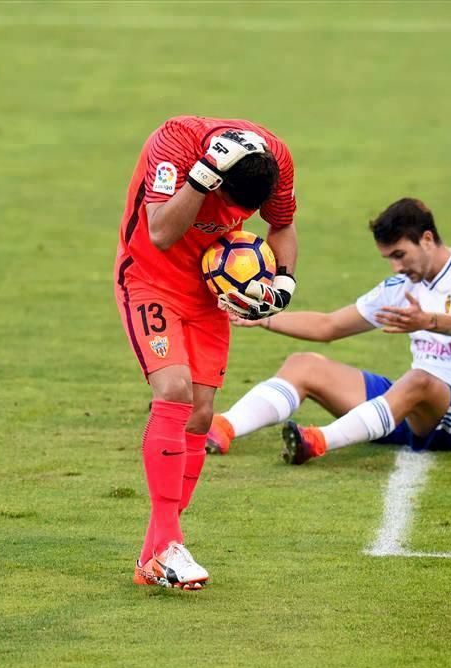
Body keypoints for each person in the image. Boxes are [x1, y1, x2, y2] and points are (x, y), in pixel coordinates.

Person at [114, 116, 298, 589]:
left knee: (200, 413)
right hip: (149, 281)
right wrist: (200, 176)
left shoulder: (275, 159)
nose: (234, 220)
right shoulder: (173, 145)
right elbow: (160, 232)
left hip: (208, 292)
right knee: (172, 389)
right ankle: (171, 546)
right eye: (229, 208)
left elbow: (282, 227)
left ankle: (151, 559)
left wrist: (282, 284)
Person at [206, 198, 451, 466]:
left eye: (400, 255)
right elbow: (330, 326)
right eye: (389, 258)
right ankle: (223, 426)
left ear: (427, 239)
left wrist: (429, 321)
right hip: (408, 408)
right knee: (304, 365)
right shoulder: (401, 287)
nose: (395, 267)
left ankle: (316, 442)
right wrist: (265, 319)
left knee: (419, 381)